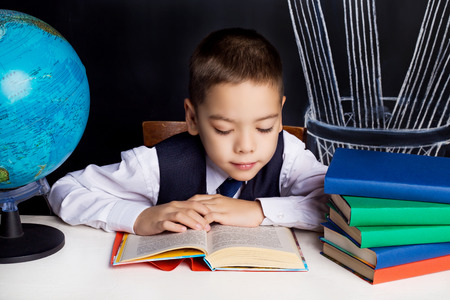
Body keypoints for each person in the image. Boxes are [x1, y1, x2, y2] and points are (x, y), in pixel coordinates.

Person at [48, 28, 329, 236]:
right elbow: (65, 190)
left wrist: (258, 211)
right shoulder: (157, 165)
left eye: (265, 127)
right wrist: (140, 217)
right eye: (224, 129)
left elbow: (341, 204)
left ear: (280, 116)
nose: (246, 146)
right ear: (192, 118)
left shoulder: (289, 155)